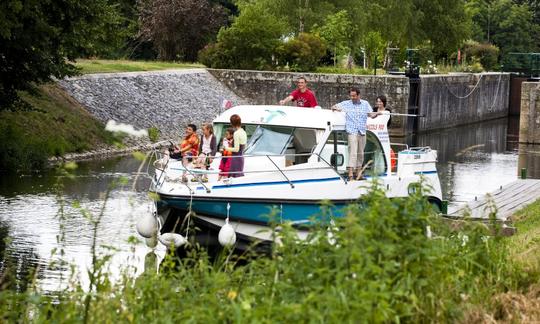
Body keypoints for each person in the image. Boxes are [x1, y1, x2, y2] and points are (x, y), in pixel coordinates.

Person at [331, 87, 373, 180]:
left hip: (362, 131)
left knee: (361, 153)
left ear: (359, 95)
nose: (352, 97)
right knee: (353, 152)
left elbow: (371, 114)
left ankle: (359, 173)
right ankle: (350, 174)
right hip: (352, 131)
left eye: (354, 96)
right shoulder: (346, 104)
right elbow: (334, 106)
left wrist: (379, 113)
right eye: (351, 96)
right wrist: (335, 108)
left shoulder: (365, 104)